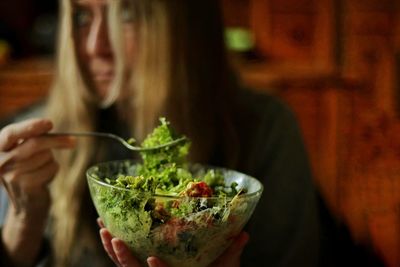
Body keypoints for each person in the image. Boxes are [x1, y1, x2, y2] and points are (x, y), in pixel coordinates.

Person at [0, 0, 385, 267]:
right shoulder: (33, 143)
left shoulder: (263, 130)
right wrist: (22, 223)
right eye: (82, 17)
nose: (96, 46)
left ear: (184, 27)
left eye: (128, 14)